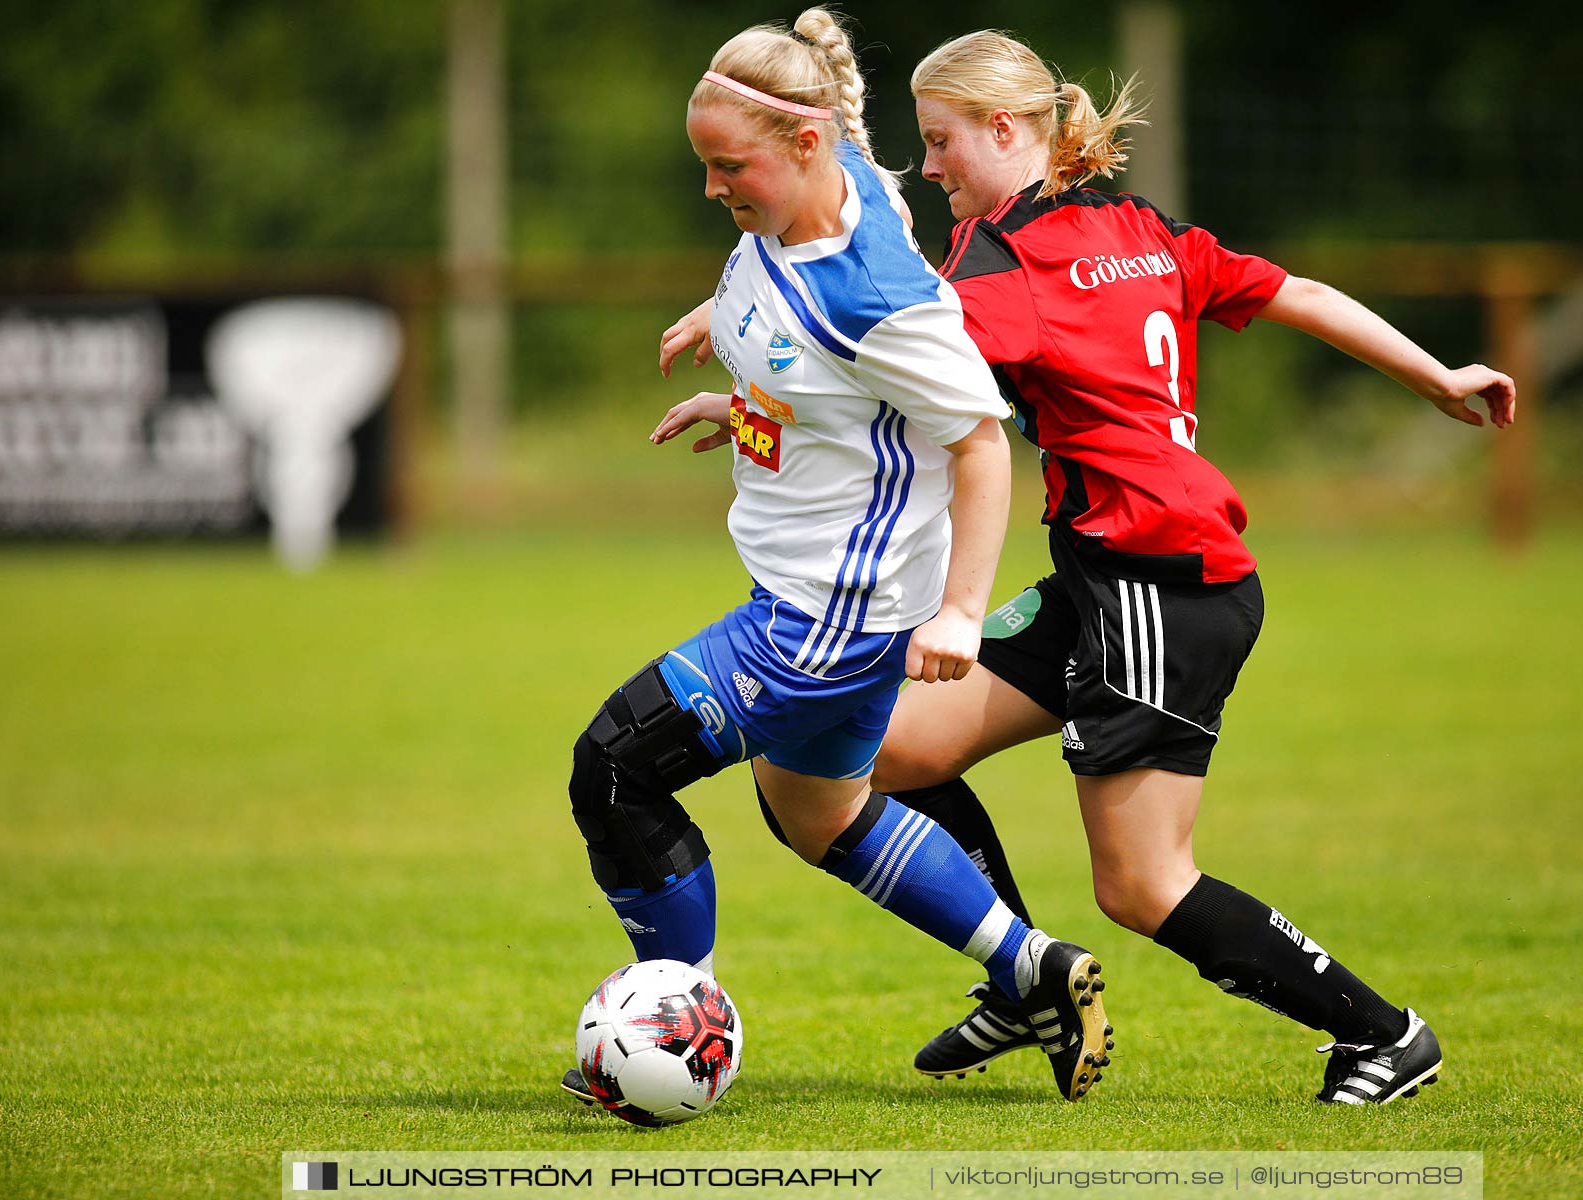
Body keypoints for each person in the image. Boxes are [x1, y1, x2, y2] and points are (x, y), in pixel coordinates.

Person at [663, 30, 1515, 1107]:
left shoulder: (1005, 270)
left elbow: (869, 343)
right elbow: (1291, 289)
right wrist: (1434, 373)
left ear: (1005, 130)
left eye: (941, 143)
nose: (928, 169)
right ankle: (1022, 979)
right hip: (1109, 571)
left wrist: (747, 355)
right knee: (891, 751)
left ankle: (1385, 1035)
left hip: (1161, 583)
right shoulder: (1137, 228)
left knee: (1143, 883)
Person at [563, 11, 1111, 1111]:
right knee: (821, 819)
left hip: (825, 622)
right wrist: (743, 386)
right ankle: (1029, 965)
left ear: (806, 144)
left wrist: (960, 613)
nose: (717, 189)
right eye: (706, 165)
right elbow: (818, 362)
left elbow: (976, 443)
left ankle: (676, 1028)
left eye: (732, 167)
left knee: (615, 768)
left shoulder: (880, 298)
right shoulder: (834, 173)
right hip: (811, 599)